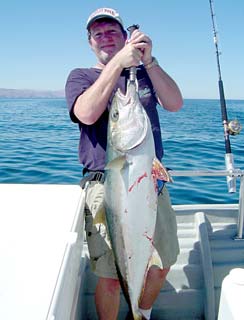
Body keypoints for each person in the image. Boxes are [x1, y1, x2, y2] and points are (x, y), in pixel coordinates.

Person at [65, 7, 183, 320]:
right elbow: (87, 114)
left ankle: (140, 314)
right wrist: (118, 63)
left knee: (162, 262)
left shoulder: (143, 73)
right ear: (90, 42)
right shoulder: (81, 77)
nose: (105, 38)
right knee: (110, 277)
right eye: (98, 34)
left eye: (112, 32)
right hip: (108, 185)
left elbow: (175, 103)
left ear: (123, 36)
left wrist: (149, 61)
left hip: (151, 182)